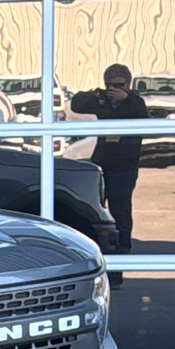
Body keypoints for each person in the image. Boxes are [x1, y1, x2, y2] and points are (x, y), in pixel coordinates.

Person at [71, 63, 148, 287]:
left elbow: (144, 120)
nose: (114, 88)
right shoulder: (103, 100)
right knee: (96, 215)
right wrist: (97, 94)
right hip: (102, 163)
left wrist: (126, 98)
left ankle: (117, 271)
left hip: (124, 167)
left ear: (128, 84)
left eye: (119, 85)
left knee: (121, 216)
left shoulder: (135, 101)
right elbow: (77, 104)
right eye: (110, 85)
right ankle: (97, 267)